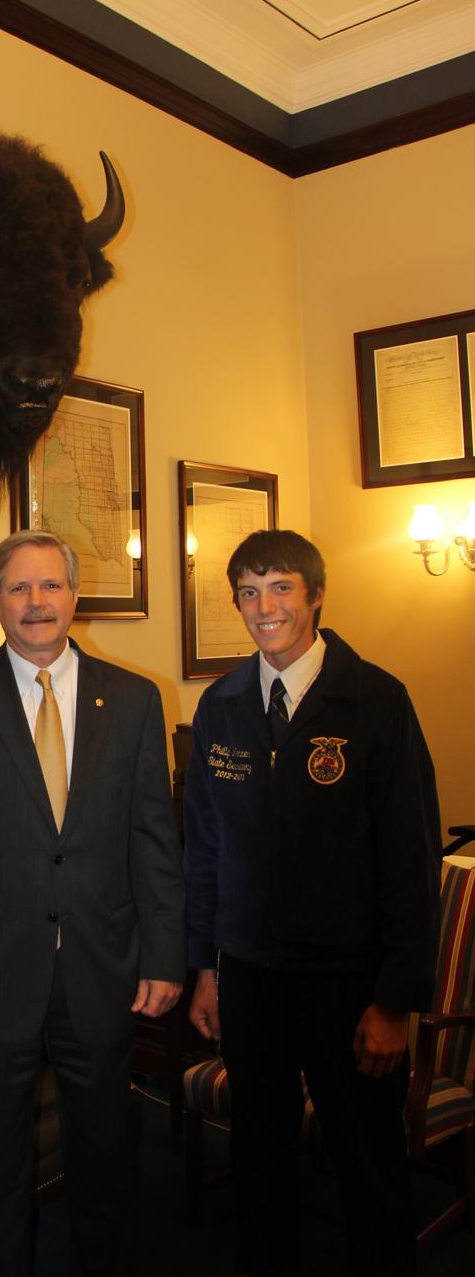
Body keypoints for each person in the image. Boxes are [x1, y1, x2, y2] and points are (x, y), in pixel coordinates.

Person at [0, 529, 185, 1277]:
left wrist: (165, 954)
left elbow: (154, 840)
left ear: (74, 596)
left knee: (105, 1158)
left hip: (102, 967)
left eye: (51, 585)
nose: (37, 602)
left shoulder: (133, 699)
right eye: (19, 588)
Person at [184, 529, 441, 1277]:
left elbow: (411, 860)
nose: (264, 607)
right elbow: (204, 850)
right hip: (252, 979)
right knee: (260, 1163)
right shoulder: (222, 706)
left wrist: (394, 1001)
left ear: (317, 595)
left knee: (368, 1169)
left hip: (349, 986)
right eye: (248, 592)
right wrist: (205, 969)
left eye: (281, 588)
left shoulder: (377, 701)